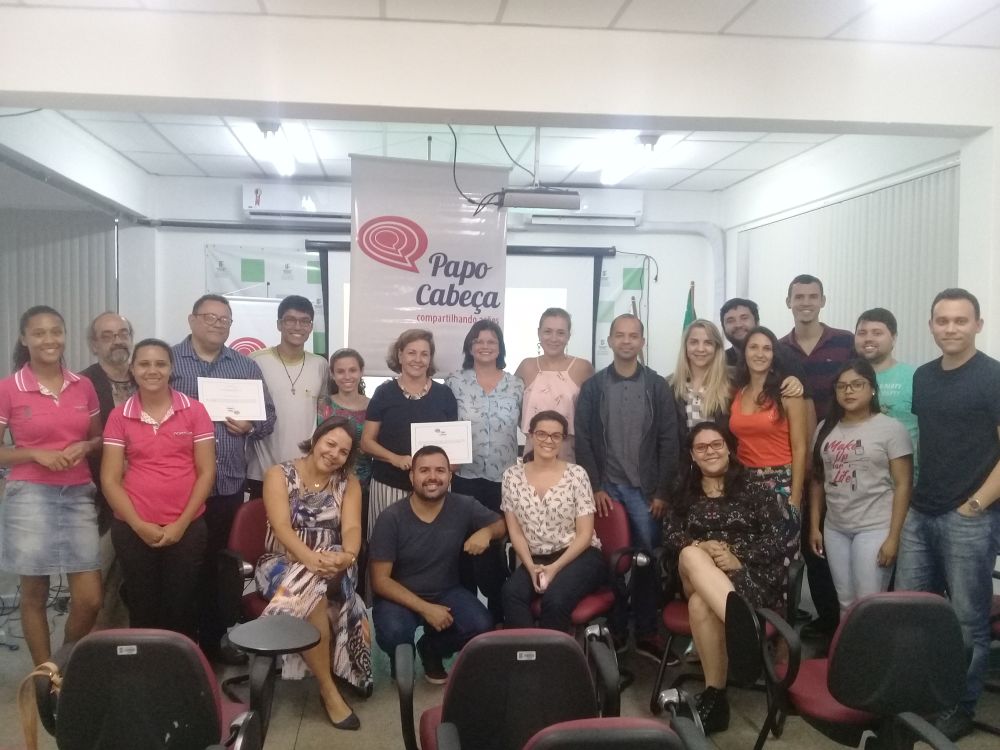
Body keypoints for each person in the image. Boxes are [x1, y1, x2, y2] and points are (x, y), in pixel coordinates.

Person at [895, 288, 1000, 741]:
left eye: (960, 320)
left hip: (969, 518)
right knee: (911, 612)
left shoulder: (993, 377)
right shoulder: (923, 377)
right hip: (922, 511)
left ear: (978, 325)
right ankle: (919, 696)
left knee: (966, 620)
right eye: (942, 320)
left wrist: (975, 505)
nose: (951, 328)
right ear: (931, 326)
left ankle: (960, 705)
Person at [171, 293, 276, 662]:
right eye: (209, 317)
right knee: (182, 567)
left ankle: (215, 641)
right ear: (192, 320)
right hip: (179, 486)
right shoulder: (169, 362)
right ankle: (181, 646)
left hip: (228, 483)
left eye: (224, 319)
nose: (217, 324)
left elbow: (268, 418)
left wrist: (251, 425)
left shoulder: (245, 366)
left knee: (220, 567)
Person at [663, 423, 786, 734]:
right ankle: (746, 631)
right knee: (690, 554)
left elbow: (776, 539)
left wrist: (737, 556)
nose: (710, 452)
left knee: (700, 605)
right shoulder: (683, 492)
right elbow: (670, 536)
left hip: (745, 575)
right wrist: (700, 546)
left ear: (729, 448)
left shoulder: (754, 488)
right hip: (695, 573)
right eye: (701, 447)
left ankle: (715, 700)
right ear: (692, 455)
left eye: (716, 444)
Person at [0, 306, 103, 665]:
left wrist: (85, 446)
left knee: (90, 599)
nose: (49, 339)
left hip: (78, 493)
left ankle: (63, 663)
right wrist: (34, 453)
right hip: (29, 495)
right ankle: (45, 675)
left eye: (56, 331)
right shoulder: (9, 388)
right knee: (35, 593)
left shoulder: (83, 385)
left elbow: (98, 439)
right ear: (24, 339)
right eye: (39, 332)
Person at [255, 416, 371, 731]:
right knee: (314, 594)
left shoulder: (349, 483)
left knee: (320, 581)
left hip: (333, 562)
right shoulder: (278, 474)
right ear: (316, 439)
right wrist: (309, 559)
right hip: (282, 561)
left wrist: (347, 556)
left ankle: (282, 627)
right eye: (330, 444)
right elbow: (281, 527)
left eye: (343, 451)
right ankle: (328, 689)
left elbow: (352, 528)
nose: (334, 454)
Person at [575, 313, 679, 660]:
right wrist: (594, 486)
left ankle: (647, 630)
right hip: (607, 489)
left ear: (642, 342)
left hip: (645, 493)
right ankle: (616, 629)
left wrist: (662, 492)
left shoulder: (657, 386)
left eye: (633, 335)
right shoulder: (593, 387)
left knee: (647, 560)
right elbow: (584, 439)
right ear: (610, 341)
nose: (626, 341)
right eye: (619, 335)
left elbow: (669, 440)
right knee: (612, 562)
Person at [100, 339, 216, 638]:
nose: (152, 370)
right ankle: (146, 666)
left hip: (187, 527)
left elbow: (206, 473)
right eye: (144, 364)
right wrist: (139, 525)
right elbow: (110, 479)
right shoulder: (119, 415)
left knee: (181, 607)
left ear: (171, 368)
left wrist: (180, 524)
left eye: (160, 364)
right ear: (132, 369)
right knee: (142, 606)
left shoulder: (194, 411)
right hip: (133, 528)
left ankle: (180, 665)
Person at [369, 446, 506, 683]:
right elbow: (380, 581)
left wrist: (486, 532)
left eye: (440, 470)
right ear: (412, 476)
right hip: (398, 596)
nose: (433, 477)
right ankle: (400, 656)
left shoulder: (464, 505)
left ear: (450, 476)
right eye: (424, 470)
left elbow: (501, 524)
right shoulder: (391, 517)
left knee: (481, 626)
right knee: (394, 632)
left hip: (446, 591)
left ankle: (431, 648)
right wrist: (426, 608)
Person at [779, 275, 854, 637]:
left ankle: (849, 622)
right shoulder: (780, 349)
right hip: (795, 456)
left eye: (812, 296)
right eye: (799, 296)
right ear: (788, 302)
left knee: (834, 535)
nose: (805, 302)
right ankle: (827, 620)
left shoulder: (845, 342)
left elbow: (860, 384)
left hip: (840, 454)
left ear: (823, 300)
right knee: (809, 542)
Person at [808, 359, 912, 615]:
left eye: (857, 384)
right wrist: (814, 526)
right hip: (835, 529)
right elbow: (818, 480)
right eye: (842, 386)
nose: (849, 391)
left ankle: (875, 644)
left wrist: (894, 537)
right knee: (845, 603)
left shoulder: (891, 429)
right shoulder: (824, 428)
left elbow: (903, 485)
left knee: (869, 604)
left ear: (872, 389)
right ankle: (850, 644)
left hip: (875, 528)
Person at [445, 320, 523, 623]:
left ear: (500, 347)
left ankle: (499, 617)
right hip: (465, 477)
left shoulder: (516, 384)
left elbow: (530, 427)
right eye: (478, 341)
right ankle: (467, 620)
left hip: (504, 480)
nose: (485, 346)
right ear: (470, 346)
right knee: (465, 547)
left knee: (496, 548)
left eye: (491, 341)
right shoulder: (454, 382)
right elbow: (443, 426)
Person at [501, 410, 605, 631]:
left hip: (578, 555)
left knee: (555, 600)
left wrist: (555, 568)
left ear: (563, 439)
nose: (548, 440)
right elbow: (515, 532)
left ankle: (552, 653)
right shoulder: (511, 477)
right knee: (511, 594)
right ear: (530, 435)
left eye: (556, 435)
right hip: (536, 558)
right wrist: (530, 567)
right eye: (541, 434)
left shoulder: (577, 475)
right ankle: (527, 649)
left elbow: (585, 534)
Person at [729, 326, 808, 613]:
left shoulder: (787, 391)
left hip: (781, 484)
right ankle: (751, 623)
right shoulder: (738, 392)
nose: (760, 353)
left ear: (774, 354)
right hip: (745, 486)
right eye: (754, 347)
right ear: (744, 353)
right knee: (749, 555)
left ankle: (782, 625)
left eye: (766, 348)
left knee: (782, 558)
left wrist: (795, 497)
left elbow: (800, 447)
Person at [361, 329, 457, 539]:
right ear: (400, 355)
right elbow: (366, 442)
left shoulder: (445, 395)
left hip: (433, 487)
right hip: (389, 484)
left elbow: (453, 444)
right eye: (412, 353)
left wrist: (454, 462)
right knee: (385, 544)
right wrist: (395, 458)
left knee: (433, 545)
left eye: (424, 354)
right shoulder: (384, 393)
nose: (418, 359)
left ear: (430, 359)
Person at [80, 311, 136, 628]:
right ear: (93, 344)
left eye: (123, 333)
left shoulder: (147, 377)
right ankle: (94, 646)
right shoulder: (81, 384)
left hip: (146, 496)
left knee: (135, 579)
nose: (117, 340)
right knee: (97, 583)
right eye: (108, 335)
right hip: (99, 498)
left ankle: (132, 642)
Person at [247, 295, 328, 498]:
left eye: (305, 321)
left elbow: (323, 413)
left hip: (306, 470)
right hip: (262, 470)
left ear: (311, 327)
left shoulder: (320, 365)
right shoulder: (256, 360)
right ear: (279, 324)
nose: (297, 326)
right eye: (290, 320)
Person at [318, 348, 372, 596]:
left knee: (357, 544)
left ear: (361, 372)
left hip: (363, 486)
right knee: (327, 542)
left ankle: (354, 600)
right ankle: (325, 596)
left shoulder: (373, 406)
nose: (347, 376)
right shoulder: (323, 405)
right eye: (340, 371)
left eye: (352, 370)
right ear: (332, 374)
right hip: (326, 487)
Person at [515, 308, 594, 461]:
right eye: (548, 331)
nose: (554, 338)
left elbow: (593, 415)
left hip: (569, 454)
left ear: (568, 336)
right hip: (533, 453)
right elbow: (513, 410)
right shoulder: (526, 366)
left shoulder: (583, 368)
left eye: (560, 333)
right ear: (539, 333)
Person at [854, 308, 919, 474]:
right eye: (862, 333)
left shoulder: (914, 377)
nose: (868, 338)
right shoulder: (846, 380)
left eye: (877, 333)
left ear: (894, 338)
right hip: (858, 479)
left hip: (905, 479)